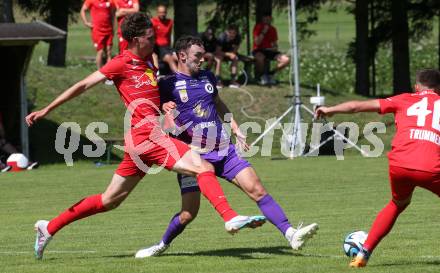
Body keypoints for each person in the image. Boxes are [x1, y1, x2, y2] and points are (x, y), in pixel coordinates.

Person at [26, 13, 266, 260]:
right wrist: (47, 109)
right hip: (146, 137)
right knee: (202, 166)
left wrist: (164, 107)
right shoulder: (120, 63)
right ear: (135, 39)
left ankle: (49, 227)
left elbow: (152, 96)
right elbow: (83, 85)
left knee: (110, 200)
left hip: (144, 141)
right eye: (150, 38)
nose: (156, 42)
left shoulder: (150, 61)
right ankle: (229, 217)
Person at [134, 35, 319, 258]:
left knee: (257, 190)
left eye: (203, 55)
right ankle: (162, 245)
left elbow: (219, 104)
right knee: (188, 214)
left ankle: (291, 234)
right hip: (193, 156)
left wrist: (235, 127)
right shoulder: (167, 84)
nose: (203, 60)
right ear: (182, 56)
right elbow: (155, 118)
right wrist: (165, 109)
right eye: (197, 56)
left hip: (223, 149)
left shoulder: (208, 77)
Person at [315, 69, 440, 268]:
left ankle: (364, 253)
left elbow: (357, 106)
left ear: (416, 87)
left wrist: (330, 109)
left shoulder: (404, 99)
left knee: (397, 204)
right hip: (430, 167)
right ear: (438, 88)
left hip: (399, 165)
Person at [252, 13, 290, 86]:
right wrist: (264, 32)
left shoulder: (273, 29)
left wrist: (274, 48)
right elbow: (257, 42)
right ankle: (261, 76)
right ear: (262, 19)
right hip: (259, 49)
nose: (267, 21)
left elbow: (275, 44)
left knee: (286, 60)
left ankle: (271, 74)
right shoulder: (258, 27)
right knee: (260, 58)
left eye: (269, 19)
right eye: (265, 19)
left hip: (270, 50)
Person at [80, 0, 115, 69]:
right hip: (97, 31)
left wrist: (113, 28)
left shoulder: (110, 2)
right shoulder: (91, 1)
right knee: (100, 51)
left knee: (108, 52)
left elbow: (112, 15)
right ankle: (99, 72)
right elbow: (83, 10)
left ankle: (109, 73)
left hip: (108, 30)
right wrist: (86, 22)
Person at [151, 4, 178, 73]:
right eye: (160, 12)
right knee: (170, 59)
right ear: (157, 13)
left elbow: (168, 36)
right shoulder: (153, 22)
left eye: (164, 12)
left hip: (167, 47)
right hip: (158, 48)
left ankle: (189, 74)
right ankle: (179, 77)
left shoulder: (170, 22)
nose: (162, 14)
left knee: (178, 57)